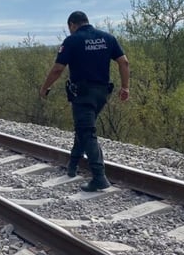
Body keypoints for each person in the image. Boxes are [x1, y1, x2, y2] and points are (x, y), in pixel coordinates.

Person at [39, 11, 130, 191]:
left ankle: (99, 177)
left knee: (87, 132)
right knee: (83, 128)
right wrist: (125, 87)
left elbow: (58, 69)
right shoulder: (107, 38)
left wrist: (45, 88)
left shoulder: (72, 41)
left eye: (70, 28)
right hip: (102, 94)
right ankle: (72, 166)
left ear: (72, 25)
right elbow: (124, 62)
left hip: (83, 94)